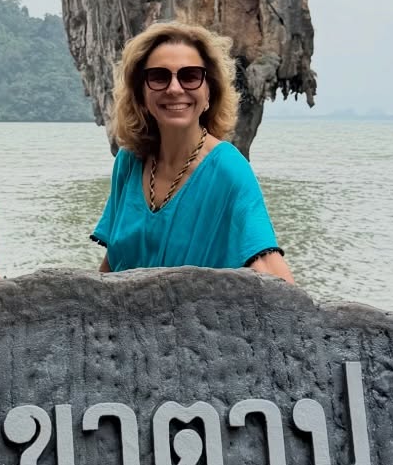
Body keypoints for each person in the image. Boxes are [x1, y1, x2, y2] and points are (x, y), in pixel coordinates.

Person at [91, 21, 294, 281]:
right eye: (159, 77)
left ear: (209, 91)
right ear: (141, 93)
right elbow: (111, 265)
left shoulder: (228, 170)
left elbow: (267, 265)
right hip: (126, 321)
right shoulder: (129, 161)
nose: (175, 89)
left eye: (190, 76)